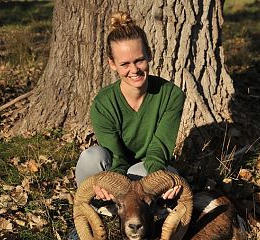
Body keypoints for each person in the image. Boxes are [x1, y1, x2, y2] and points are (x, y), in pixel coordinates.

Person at [75, 11, 185, 201]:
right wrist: (109, 183)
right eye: (124, 64)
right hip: (115, 167)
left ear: (149, 55)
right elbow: (115, 157)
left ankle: (144, 214)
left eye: (139, 60)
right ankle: (92, 212)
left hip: (146, 168)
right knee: (91, 157)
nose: (134, 70)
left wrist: (161, 180)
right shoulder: (103, 102)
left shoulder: (171, 95)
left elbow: (159, 150)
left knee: (169, 176)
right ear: (112, 64)